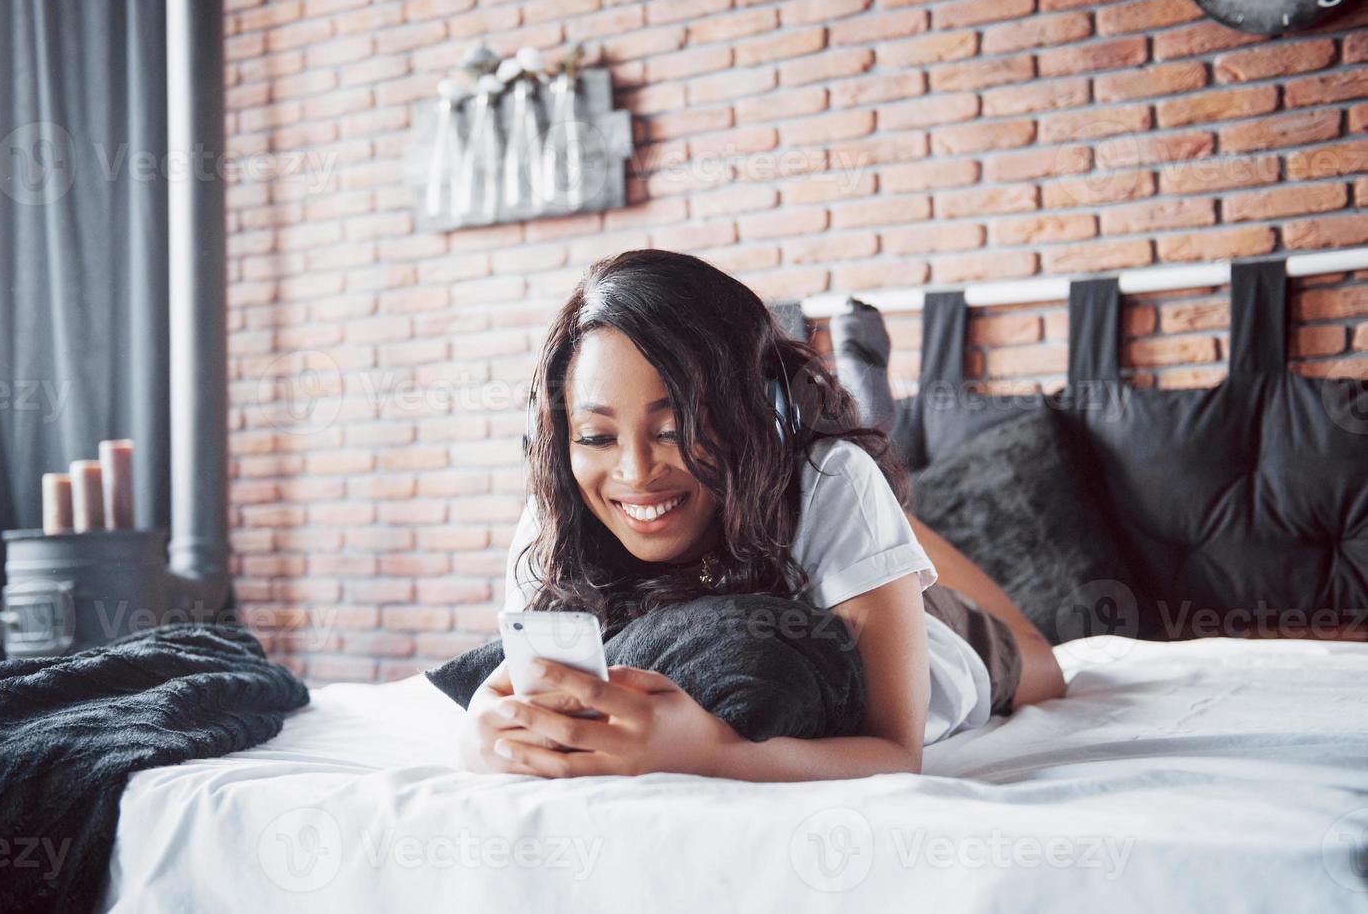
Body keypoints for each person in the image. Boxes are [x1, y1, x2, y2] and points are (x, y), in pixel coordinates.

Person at [456, 249, 1066, 781]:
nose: (636, 473)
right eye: (596, 436)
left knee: (1045, 665)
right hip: (824, 550)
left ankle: (893, 540)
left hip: (934, 636)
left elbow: (894, 753)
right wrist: (484, 735)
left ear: (757, 417)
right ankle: (887, 542)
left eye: (675, 430)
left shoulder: (831, 480)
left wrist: (713, 752)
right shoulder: (557, 513)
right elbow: (515, 704)